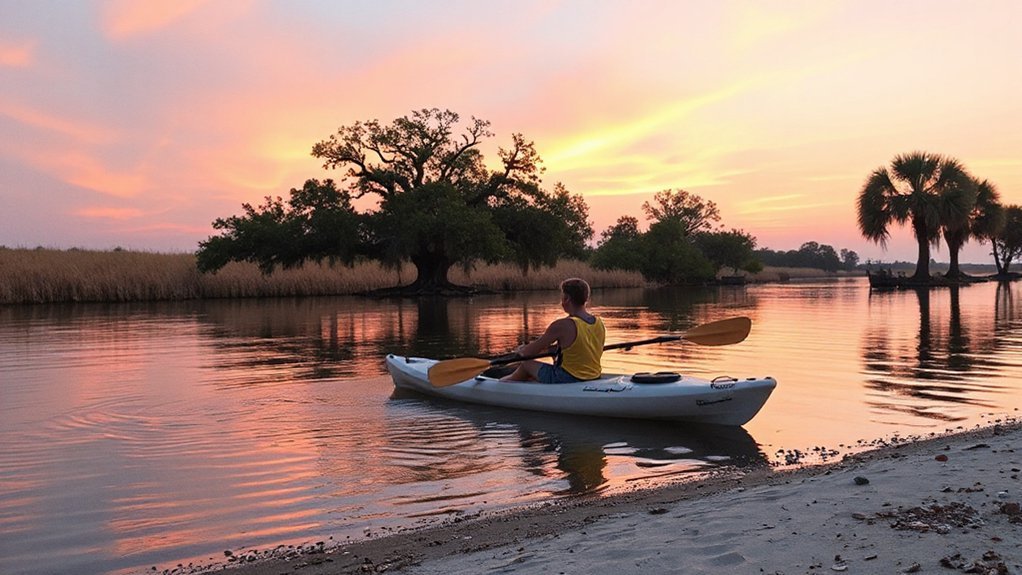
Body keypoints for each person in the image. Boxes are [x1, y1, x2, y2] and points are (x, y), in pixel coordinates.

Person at [501, 278, 605, 383]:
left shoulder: (562, 325)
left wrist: (521, 350)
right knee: (545, 363)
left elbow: (529, 352)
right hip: (594, 375)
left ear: (567, 299)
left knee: (526, 364)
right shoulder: (599, 323)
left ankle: (501, 383)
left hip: (567, 378)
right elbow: (578, 348)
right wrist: (551, 350)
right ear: (586, 298)